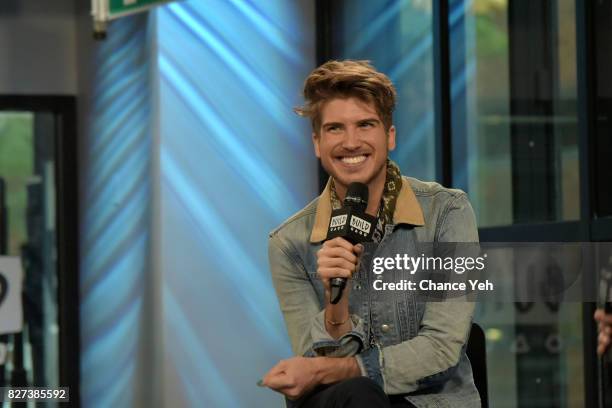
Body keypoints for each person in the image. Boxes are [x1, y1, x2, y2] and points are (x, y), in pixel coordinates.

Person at [262, 60, 481, 407]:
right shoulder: (289, 242)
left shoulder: (447, 212)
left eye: (365, 125)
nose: (351, 142)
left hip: (429, 403)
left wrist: (342, 369)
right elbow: (316, 361)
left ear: (389, 136)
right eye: (335, 129)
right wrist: (337, 304)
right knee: (356, 395)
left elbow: (442, 348)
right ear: (317, 142)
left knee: (360, 392)